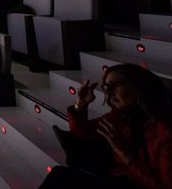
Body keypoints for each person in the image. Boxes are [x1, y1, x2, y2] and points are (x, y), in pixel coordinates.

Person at [39, 64, 172, 188]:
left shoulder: (165, 131)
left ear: (137, 86)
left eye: (115, 85)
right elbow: (82, 133)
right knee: (61, 175)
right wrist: (80, 106)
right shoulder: (120, 116)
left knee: (61, 177)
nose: (109, 92)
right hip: (118, 177)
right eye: (106, 87)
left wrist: (125, 155)